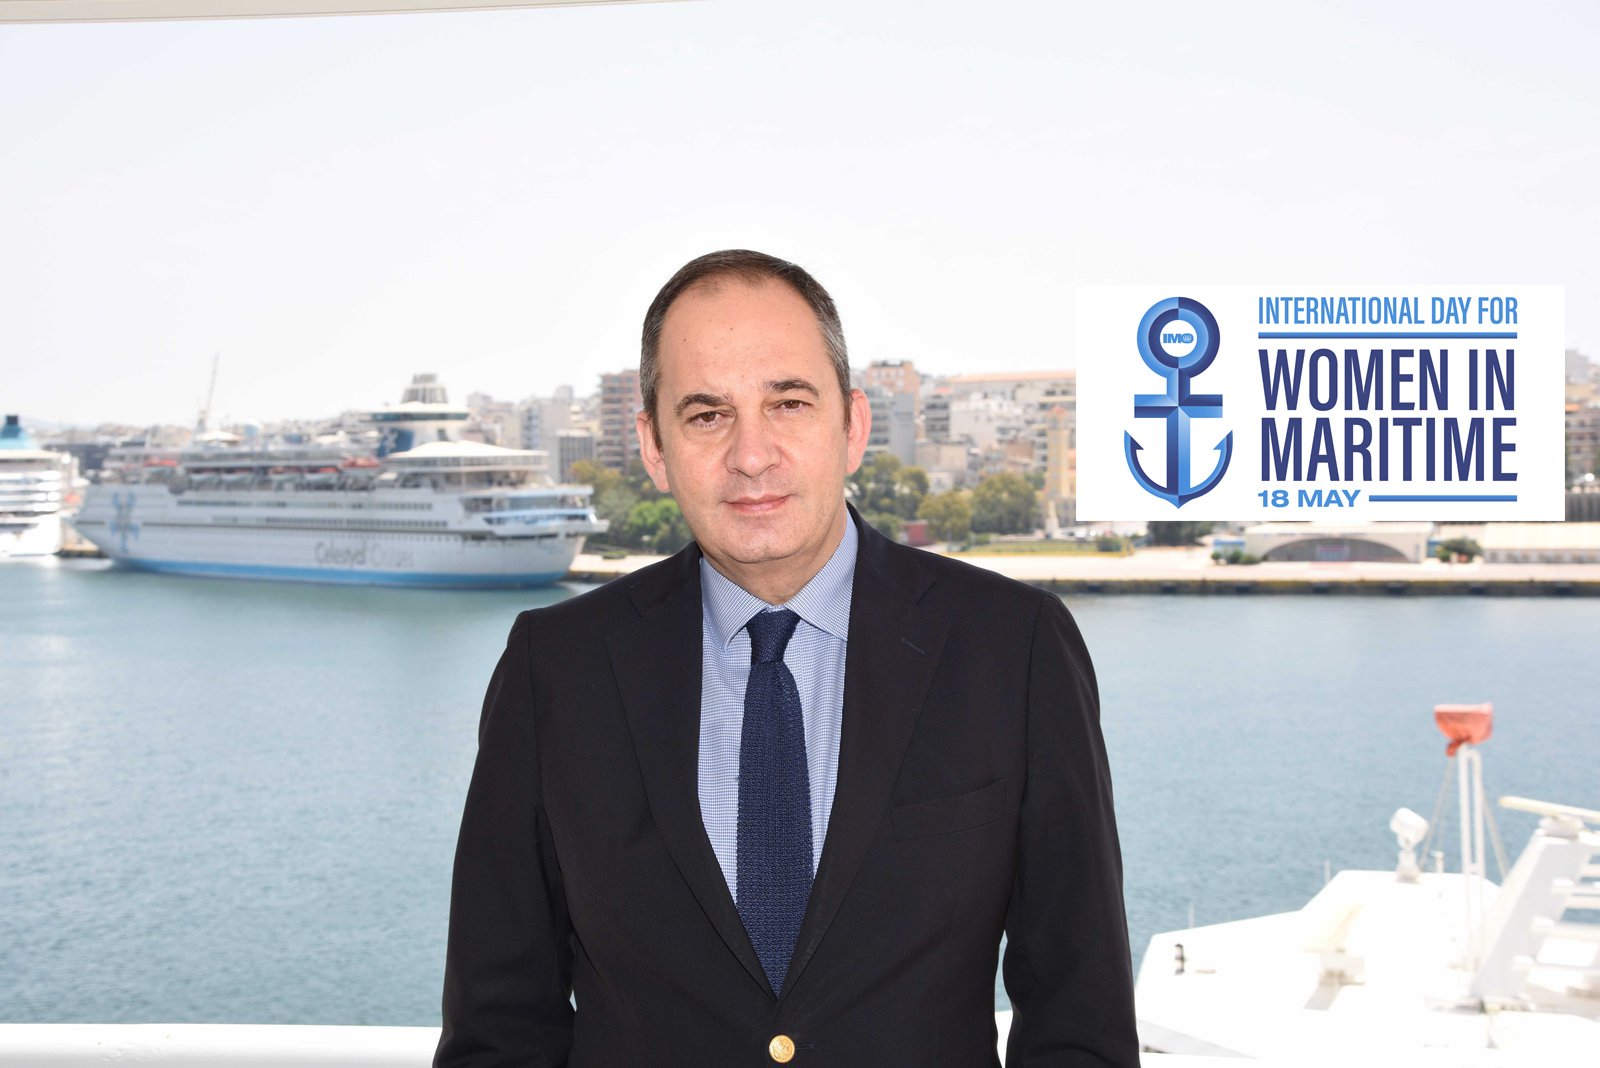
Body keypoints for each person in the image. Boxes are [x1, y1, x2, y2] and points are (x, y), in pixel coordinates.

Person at [436, 250, 1137, 1067]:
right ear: (654, 447)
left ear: (854, 426)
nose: (752, 454)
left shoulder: (1013, 648)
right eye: (707, 415)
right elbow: (499, 1030)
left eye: (789, 403)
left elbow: (1079, 1020)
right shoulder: (555, 669)